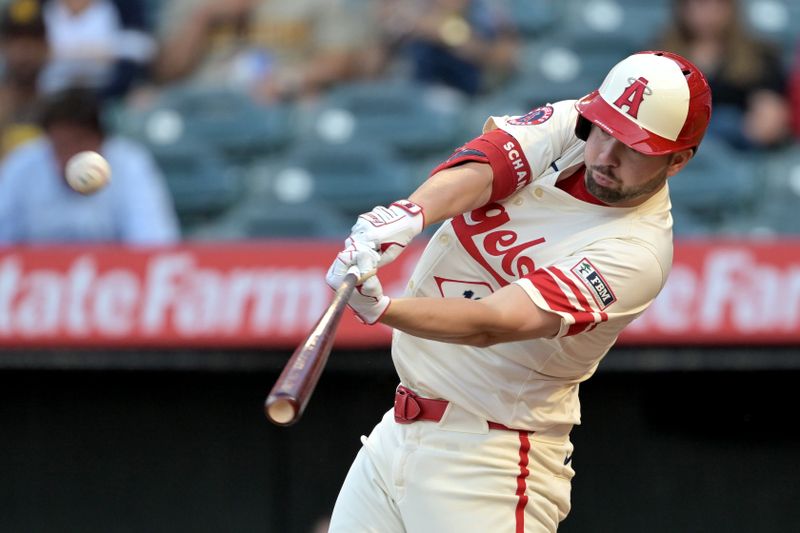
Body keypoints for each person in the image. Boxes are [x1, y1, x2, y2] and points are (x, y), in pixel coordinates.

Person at [324, 50, 712, 532]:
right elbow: (486, 166)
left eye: (633, 147)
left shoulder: (639, 251)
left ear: (677, 161)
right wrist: (409, 215)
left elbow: (494, 322)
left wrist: (383, 309)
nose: (607, 154)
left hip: (491, 462)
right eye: (605, 129)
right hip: (397, 433)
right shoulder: (576, 125)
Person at [0, 87, 180, 244]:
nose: (71, 154)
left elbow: (153, 244)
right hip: (36, 279)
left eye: (79, 142)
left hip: (115, 278)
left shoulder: (130, 163)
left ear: (101, 139)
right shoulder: (22, 165)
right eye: (61, 145)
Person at [152, 0, 370, 103]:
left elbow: (342, 61)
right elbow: (166, 72)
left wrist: (290, 79)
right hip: (204, 108)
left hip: (283, 108)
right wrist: (202, 18)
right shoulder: (192, 5)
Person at [654, 0, 789, 151]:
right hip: (677, 143)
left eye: (718, 5)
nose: (710, 14)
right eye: (702, 4)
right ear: (683, 8)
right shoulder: (658, 57)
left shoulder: (760, 56)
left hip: (735, 148)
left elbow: (769, 118)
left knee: (727, 119)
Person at [38, 0, 156, 100]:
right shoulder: (39, 6)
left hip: (110, 94)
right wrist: (103, 51)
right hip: (48, 94)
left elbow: (144, 47)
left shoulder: (122, 5)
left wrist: (59, 53)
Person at [0, 0, 49, 158]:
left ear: (46, 47)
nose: (24, 51)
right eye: (15, 41)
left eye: (33, 40)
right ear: (3, 46)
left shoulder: (59, 106)